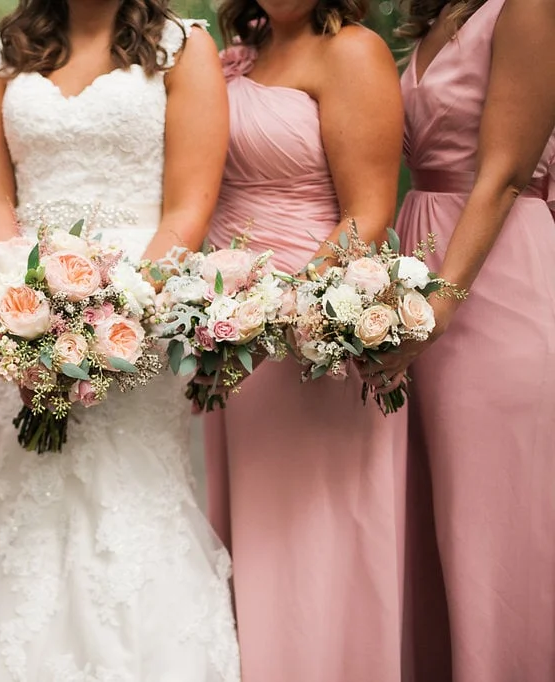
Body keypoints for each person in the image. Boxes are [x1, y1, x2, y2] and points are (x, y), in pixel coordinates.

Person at [0, 1, 241, 679]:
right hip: (21, 305)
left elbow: (188, 205)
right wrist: (22, 312)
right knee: (21, 488)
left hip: (142, 306)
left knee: (126, 496)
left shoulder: (183, 48)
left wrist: (125, 317)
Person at [204, 1, 407, 680]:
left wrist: (280, 308)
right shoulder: (242, 47)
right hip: (213, 322)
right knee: (226, 528)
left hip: (303, 326)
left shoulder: (353, 50)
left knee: (300, 542)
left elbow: (368, 212)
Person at [361, 1, 555, 680]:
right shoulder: (440, 14)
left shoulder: (528, 6)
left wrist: (441, 302)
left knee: (491, 519)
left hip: (492, 276)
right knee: (432, 518)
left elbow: (504, 172)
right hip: (423, 253)